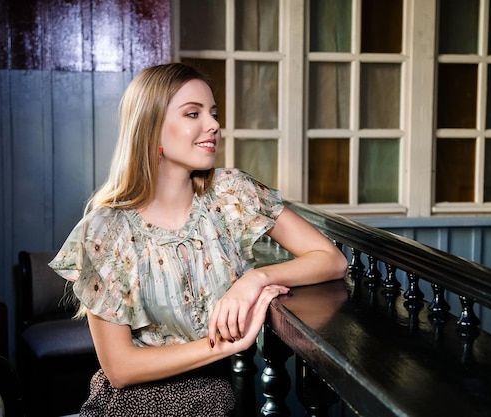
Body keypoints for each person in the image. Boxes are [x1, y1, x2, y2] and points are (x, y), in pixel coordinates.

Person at [49, 62, 348, 416]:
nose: (214, 125)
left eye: (213, 113)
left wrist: (256, 278)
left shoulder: (231, 194)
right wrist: (225, 345)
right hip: (131, 408)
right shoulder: (105, 229)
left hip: (215, 402)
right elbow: (120, 369)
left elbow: (331, 259)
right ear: (152, 129)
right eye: (193, 113)